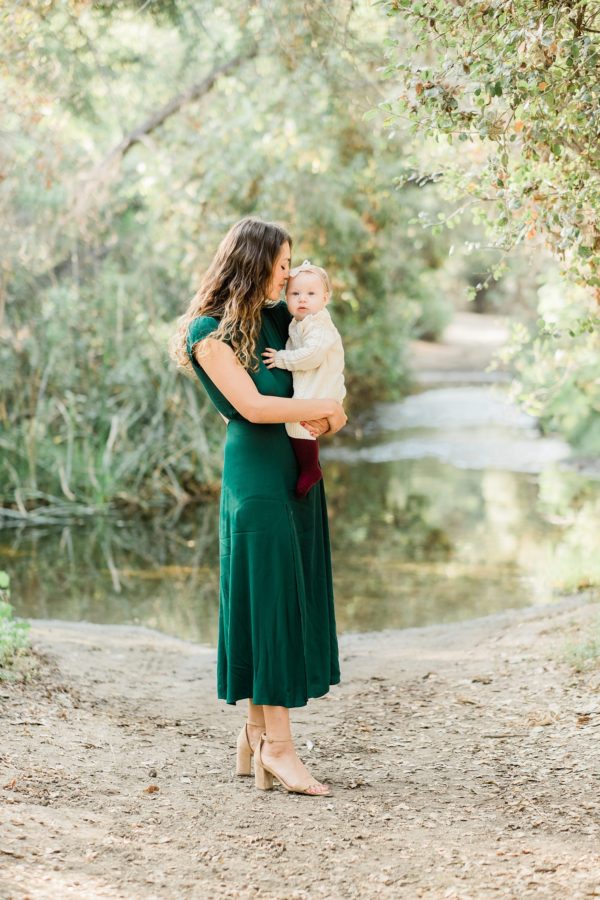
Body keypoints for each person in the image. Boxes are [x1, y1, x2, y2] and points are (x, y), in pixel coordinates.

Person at [169, 217, 347, 797]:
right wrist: (325, 407)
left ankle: (253, 732)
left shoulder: (278, 318)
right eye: (279, 265)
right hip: (256, 476)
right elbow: (249, 407)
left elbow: (329, 393)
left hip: (295, 468)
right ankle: (279, 748)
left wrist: (332, 410)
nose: (289, 275)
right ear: (252, 264)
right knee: (265, 601)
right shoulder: (207, 332)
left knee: (284, 597)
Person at [262, 259, 346, 498]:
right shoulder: (299, 322)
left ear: (325, 298)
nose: (302, 299)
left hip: (322, 384)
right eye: (295, 293)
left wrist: (280, 359)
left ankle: (311, 467)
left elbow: (312, 355)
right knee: (301, 421)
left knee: (298, 421)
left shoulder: (318, 325)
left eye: (311, 293)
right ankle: (309, 464)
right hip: (313, 381)